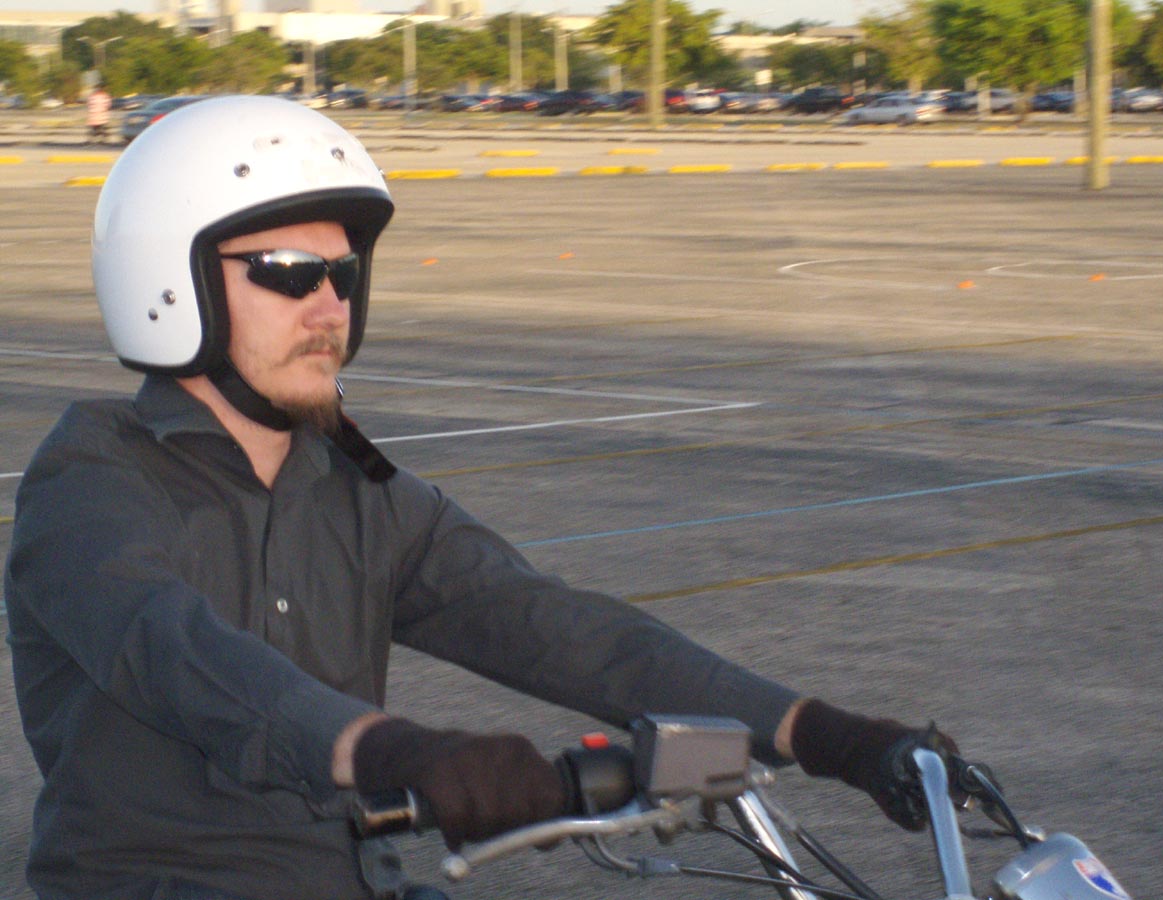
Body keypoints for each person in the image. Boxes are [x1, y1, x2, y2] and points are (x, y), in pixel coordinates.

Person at [5, 96, 962, 900]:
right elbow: (180, 655)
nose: (330, 307)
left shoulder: (361, 492)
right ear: (170, 282)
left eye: (344, 275)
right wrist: (392, 751)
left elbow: (558, 628)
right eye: (289, 274)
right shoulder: (91, 478)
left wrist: (829, 735)